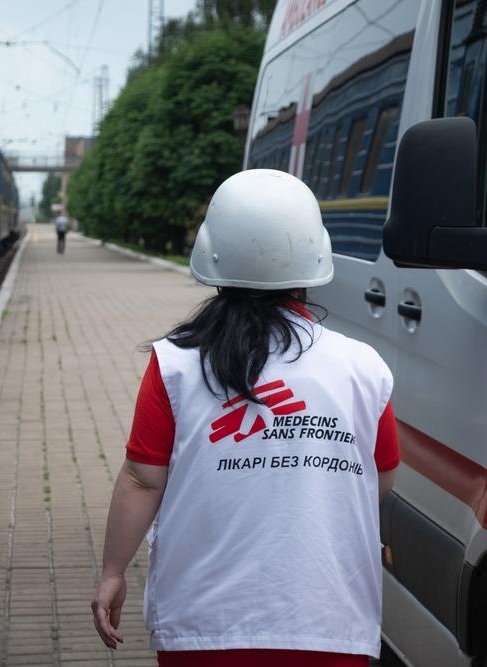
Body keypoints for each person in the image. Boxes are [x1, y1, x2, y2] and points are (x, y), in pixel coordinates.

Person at [91, 169, 399, 667]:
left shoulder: (175, 363)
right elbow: (378, 475)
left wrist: (113, 571)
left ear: (211, 256)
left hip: (202, 628)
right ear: (314, 259)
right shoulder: (362, 367)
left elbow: (143, 481)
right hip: (328, 624)